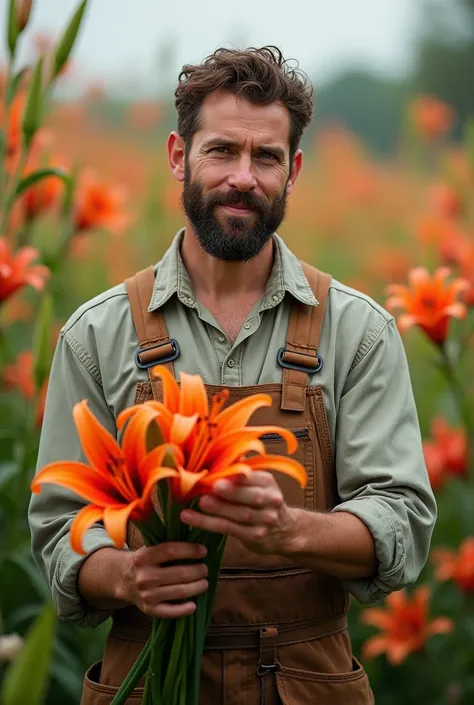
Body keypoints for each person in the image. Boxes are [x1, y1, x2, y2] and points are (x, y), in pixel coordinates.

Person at [29, 46, 437, 705]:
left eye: (266, 157)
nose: (243, 177)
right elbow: (58, 529)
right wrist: (127, 575)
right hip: (147, 680)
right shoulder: (97, 334)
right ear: (178, 155)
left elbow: (404, 521)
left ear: (293, 170)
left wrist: (289, 529)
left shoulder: (359, 330)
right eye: (221, 150)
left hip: (308, 682)